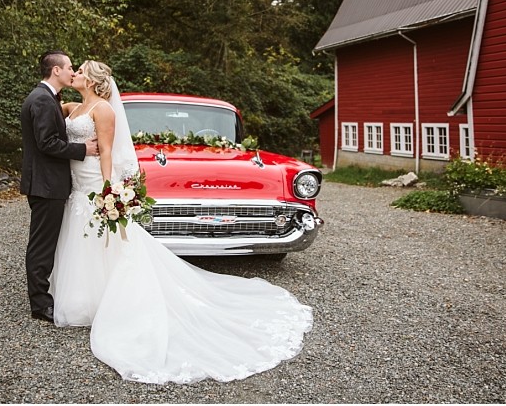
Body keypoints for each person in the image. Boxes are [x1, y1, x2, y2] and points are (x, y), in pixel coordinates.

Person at [49, 60, 313, 384]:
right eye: (72, 68)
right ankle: (83, 300)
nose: (75, 71)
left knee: (108, 243)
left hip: (93, 182)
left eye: (80, 69)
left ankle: (109, 303)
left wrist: (109, 188)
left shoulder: (103, 109)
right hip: (78, 185)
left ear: (92, 79)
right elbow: (53, 109)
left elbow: (107, 152)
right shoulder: (76, 105)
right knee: (83, 241)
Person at [20, 50, 98, 323]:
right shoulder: (42, 100)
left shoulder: (46, 98)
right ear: (56, 71)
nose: (72, 71)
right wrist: (83, 149)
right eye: (69, 67)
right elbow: (47, 143)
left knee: (45, 241)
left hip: (47, 182)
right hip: (45, 184)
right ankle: (40, 304)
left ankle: (43, 295)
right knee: (42, 244)